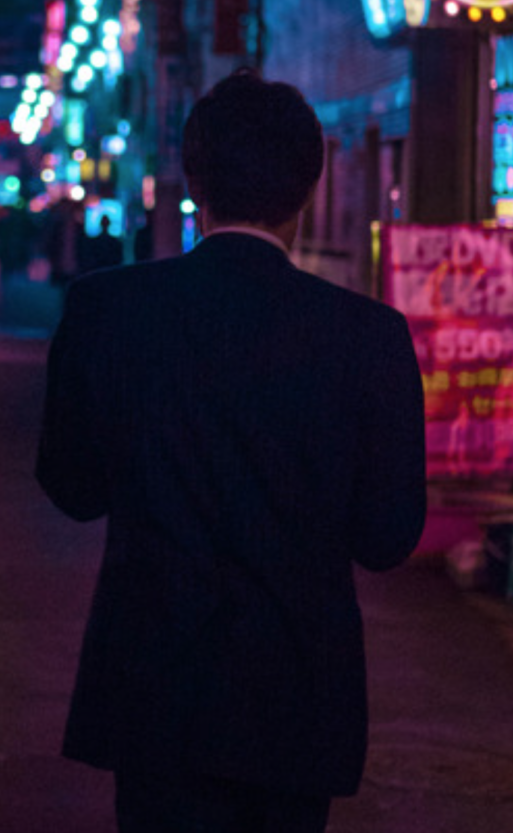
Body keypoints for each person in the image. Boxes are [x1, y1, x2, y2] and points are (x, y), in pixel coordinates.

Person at [35, 68, 427, 833]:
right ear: (310, 186)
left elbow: (72, 487)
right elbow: (387, 538)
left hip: (152, 682)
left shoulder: (106, 310)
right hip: (296, 692)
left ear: (194, 178)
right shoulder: (367, 336)